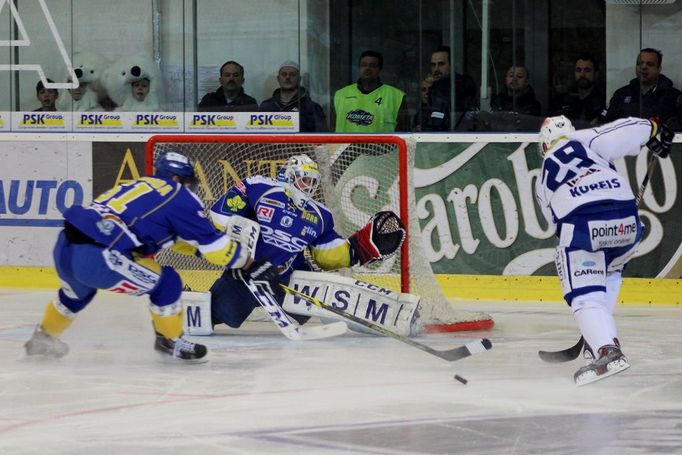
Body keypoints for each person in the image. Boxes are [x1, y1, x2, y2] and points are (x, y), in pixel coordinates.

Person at [24, 151, 256, 362]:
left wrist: (196, 249)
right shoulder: (178, 195)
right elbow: (215, 247)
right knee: (168, 282)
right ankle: (170, 340)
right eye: (188, 181)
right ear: (177, 179)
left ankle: (43, 338)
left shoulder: (140, 186)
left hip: (65, 247)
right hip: (100, 257)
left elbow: (166, 237)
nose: (190, 188)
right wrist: (247, 261)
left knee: (75, 297)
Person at [535, 115, 675, 386]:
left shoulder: (544, 174)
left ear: (544, 144)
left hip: (584, 224)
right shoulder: (587, 140)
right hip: (627, 223)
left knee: (585, 296)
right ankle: (599, 340)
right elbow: (626, 130)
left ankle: (607, 351)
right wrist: (654, 128)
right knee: (610, 273)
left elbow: (555, 222)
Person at [208, 154, 406, 330]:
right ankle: (186, 301)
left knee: (325, 303)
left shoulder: (320, 214)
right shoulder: (258, 187)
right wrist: (245, 258)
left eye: (313, 182)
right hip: (245, 276)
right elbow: (220, 215)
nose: (309, 186)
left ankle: (388, 316)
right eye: (304, 180)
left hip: (287, 280)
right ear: (290, 175)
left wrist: (359, 249)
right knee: (211, 316)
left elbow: (325, 254)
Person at [333, 50, 409, 132]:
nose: (367, 68)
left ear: (380, 69)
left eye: (372, 65)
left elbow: (405, 133)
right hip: (345, 145)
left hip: (382, 145)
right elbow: (329, 130)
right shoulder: (340, 95)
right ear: (359, 68)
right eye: (363, 65)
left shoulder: (396, 96)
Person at [601, 48, 681, 124]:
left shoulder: (673, 97)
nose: (643, 67)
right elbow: (607, 124)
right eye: (640, 63)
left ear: (659, 69)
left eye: (650, 64)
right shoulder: (621, 94)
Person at [419, 46, 478, 131]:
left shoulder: (460, 86)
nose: (436, 69)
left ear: (451, 64)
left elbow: (437, 124)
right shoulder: (434, 87)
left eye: (441, 64)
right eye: (433, 65)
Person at [259, 61, 328, 132]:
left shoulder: (312, 108)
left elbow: (322, 137)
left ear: (299, 79)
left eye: (292, 74)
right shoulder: (266, 106)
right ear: (278, 79)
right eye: (284, 74)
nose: (288, 77)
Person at [551, 54, 605, 127]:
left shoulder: (601, 102)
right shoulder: (564, 100)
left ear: (596, 73)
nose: (582, 74)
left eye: (587, 70)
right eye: (578, 70)